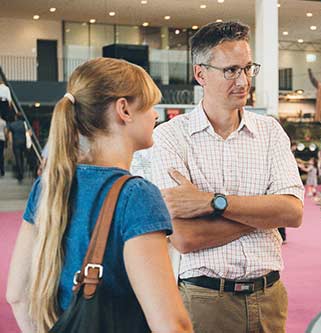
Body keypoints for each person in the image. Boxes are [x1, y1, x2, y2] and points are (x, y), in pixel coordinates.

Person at [6, 58, 192, 333]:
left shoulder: (49, 186)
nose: (156, 115)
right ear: (124, 109)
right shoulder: (137, 196)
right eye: (150, 105)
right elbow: (171, 325)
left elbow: (17, 296)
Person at [149, 21, 304, 332]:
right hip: (205, 299)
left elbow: (292, 212)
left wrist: (210, 203)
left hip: (269, 297)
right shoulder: (170, 137)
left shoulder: (270, 131)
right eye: (231, 70)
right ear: (200, 74)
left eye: (248, 68)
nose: (243, 80)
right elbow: (185, 237)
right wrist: (262, 215)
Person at [7, 112, 27, 183]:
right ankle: (22, 171)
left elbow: (10, 136)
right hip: (23, 142)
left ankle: (20, 173)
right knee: (22, 157)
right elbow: (28, 132)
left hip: (16, 143)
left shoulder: (12, 125)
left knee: (17, 158)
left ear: (16, 117)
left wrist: (10, 144)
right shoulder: (24, 124)